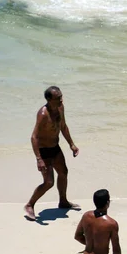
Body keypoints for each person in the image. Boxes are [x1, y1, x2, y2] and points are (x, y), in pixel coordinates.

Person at [24, 86, 80, 220]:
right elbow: (34, 137)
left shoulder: (60, 108)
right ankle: (30, 205)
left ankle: (63, 201)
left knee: (63, 173)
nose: (61, 100)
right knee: (49, 182)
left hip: (55, 148)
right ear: (49, 99)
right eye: (58, 98)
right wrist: (39, 159)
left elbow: (63, 127)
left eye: (61, 96)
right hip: (43, 151)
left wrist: (71, 144)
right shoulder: (43, 114)